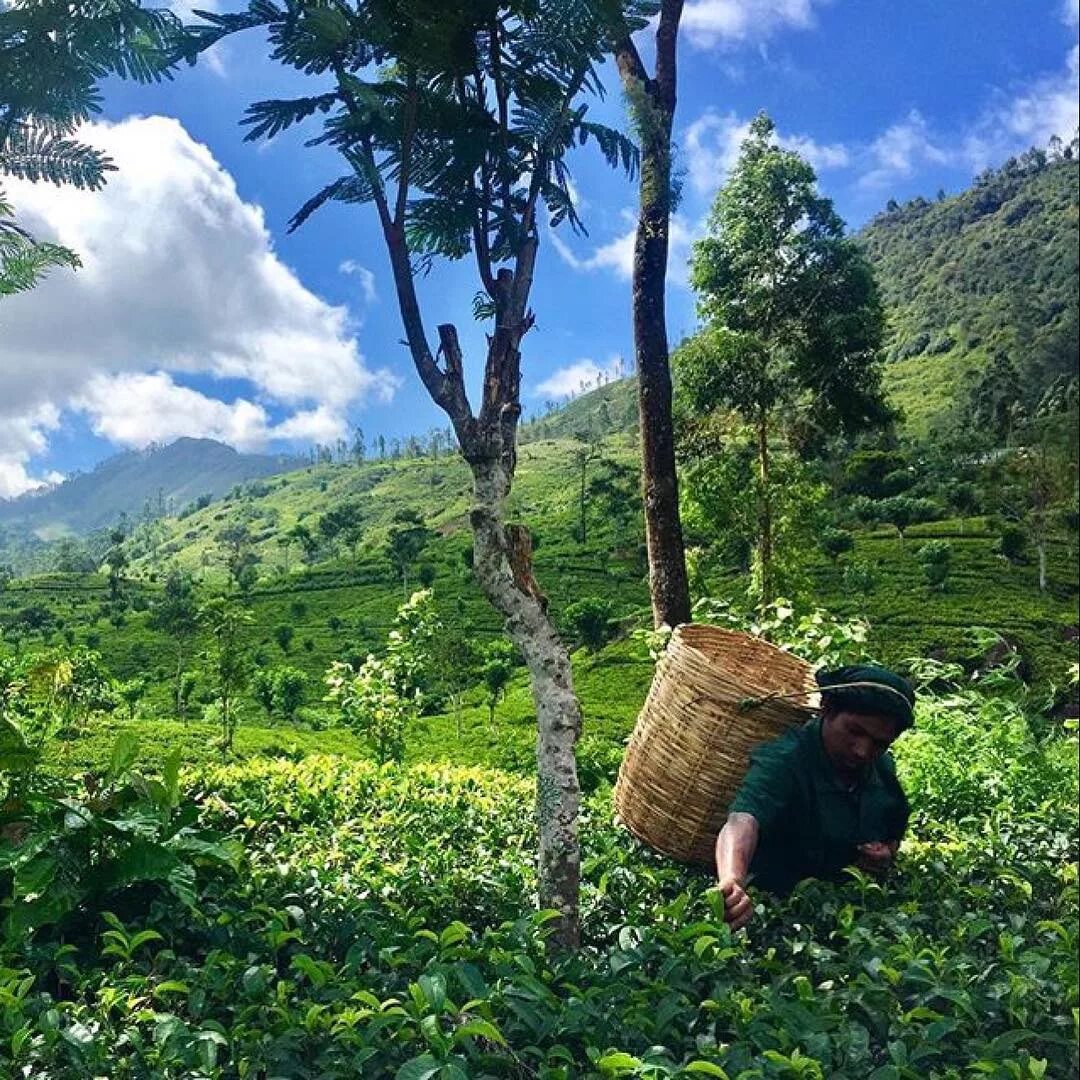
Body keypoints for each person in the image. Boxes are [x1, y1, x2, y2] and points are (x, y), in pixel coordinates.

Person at [715, 664, 915, 930]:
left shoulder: (881, 769)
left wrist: (884, 855)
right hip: (780, 909)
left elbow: (894, 826)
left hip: (843, 914)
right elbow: (742, 820)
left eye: (879, 743)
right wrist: (732, 879)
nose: (862, 751)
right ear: (827, 710)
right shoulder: (786, 759)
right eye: (854, 731)